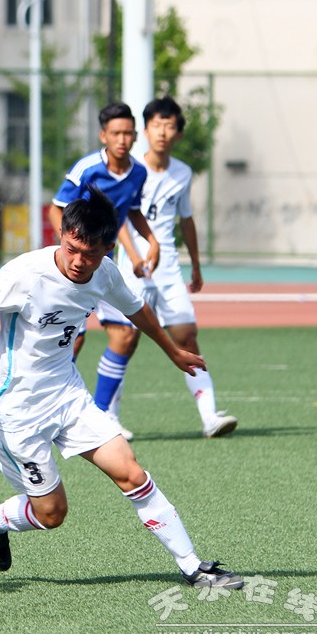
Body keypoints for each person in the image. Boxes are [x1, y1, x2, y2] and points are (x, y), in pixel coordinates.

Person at [0, 187, 243, 590]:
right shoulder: (25, 274)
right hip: (17, 411)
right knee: (52, 514)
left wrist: (172, 351)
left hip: (69, 396)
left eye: (90, 254)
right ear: (61, 233)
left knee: (132, 472)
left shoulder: (105, 272)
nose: (78, 261)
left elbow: (137, 308)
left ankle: (194, 567)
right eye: (72, 248)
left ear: (108, 249)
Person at [93, 96, 237, 439]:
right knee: (124, 340)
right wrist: (137, 253)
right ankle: (107, 418)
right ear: (145, 131)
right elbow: (122, 216)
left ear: (179, 134)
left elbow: (186, 221)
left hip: (169, 268)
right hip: (131, 267)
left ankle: (209, 417)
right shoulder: (130, 169)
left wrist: (197, 266)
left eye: (170, 126)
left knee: (186, 336)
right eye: (156, 125)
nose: (162, 132)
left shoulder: (182, 173)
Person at [47, 102, 161, 440]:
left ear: (135, 135)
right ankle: (48, 404)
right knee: (71, 339)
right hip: (75, 267)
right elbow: (58, 210)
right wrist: (70, 254)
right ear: (103, 136)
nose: (123, 139)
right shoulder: (87, 168)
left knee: (125, 336)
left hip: (105, 266)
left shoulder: (138, 172)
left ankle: (97, 414)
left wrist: (151, 240)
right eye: (116, 133)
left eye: (128, 133)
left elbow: (132, 212)